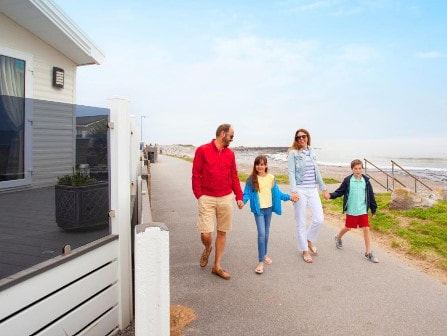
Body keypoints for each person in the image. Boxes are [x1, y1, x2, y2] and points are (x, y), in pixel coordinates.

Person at [192, 123, 244, 280]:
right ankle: (208, 248)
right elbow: (196, 174)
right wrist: (199, 195)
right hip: (206, 197)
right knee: (206, 233)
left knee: (222, 231)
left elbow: (234, 176)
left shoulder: (230, 154)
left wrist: (239, 196)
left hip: (225, 197)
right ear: (223, 134)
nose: (232, 139)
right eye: (231, 136)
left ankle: (217, 266)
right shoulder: (202, 150)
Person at [243, 155, 292, 274]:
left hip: (268, 209)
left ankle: (264, 254)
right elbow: (246, 194)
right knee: (261, 233)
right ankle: (260, 262)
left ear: (266, 165)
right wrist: (242, 201)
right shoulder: (251, 179)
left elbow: (278, 194)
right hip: (258, 210)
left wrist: (290, 197)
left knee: (266, 234)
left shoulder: (271, 178)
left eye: (262, 164)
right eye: (258, 164)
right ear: (255, 166)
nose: (260, 166)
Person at [324, 159, 379, 263]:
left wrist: (373, 209)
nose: (358, 170)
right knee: (348, 227)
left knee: (366, 229)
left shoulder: (366, 181)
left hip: (362, 209)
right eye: (355, 169)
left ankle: (368, 253)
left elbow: (371, 196)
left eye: (360, 168)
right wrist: (330, 195)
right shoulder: (348, 180)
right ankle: (338, 237)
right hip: (352, 210)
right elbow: (339, 192)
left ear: (362, 169)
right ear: (352, 169)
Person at [287, 129, 329, 263]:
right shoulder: (293, 153)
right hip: (300, 189)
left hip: (312, 189)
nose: (301, 139)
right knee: (301, 221)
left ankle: (308, 240)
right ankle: (304, 250)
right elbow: (291, 173)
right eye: (298, 137)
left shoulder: (312, 152)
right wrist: (293, 191)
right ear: (296, 139)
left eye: (303, 136)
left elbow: (317, 171)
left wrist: (323, 188)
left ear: (307, 137)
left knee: (319, 219)